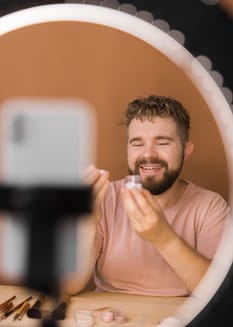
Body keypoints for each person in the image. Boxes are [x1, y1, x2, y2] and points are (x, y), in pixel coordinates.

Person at [63, 95, 230, 297]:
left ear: (186, 150)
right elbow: (67, 286)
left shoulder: (210, 206)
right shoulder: (104, 198)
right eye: (137, 143)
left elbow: (218, 294)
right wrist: (87, 223)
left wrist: (163, 238)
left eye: (162, 142)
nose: (148, 154)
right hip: (109, 318)